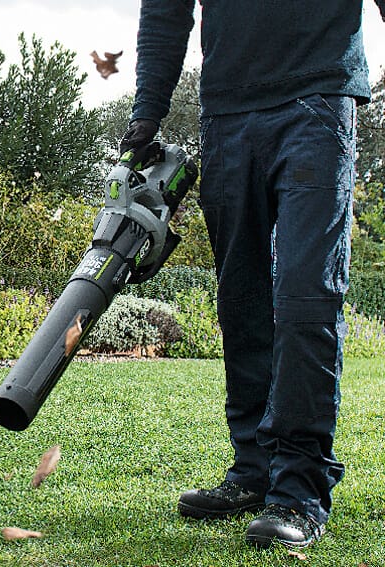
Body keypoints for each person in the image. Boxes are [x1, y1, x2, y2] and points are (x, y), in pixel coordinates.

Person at [120, 0, 385, 550]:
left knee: (305, 300)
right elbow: (164, 11)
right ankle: (254, 470)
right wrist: (147, 111)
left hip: (317, 98)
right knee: (240, 301)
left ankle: (299, 490)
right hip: (228, 114)